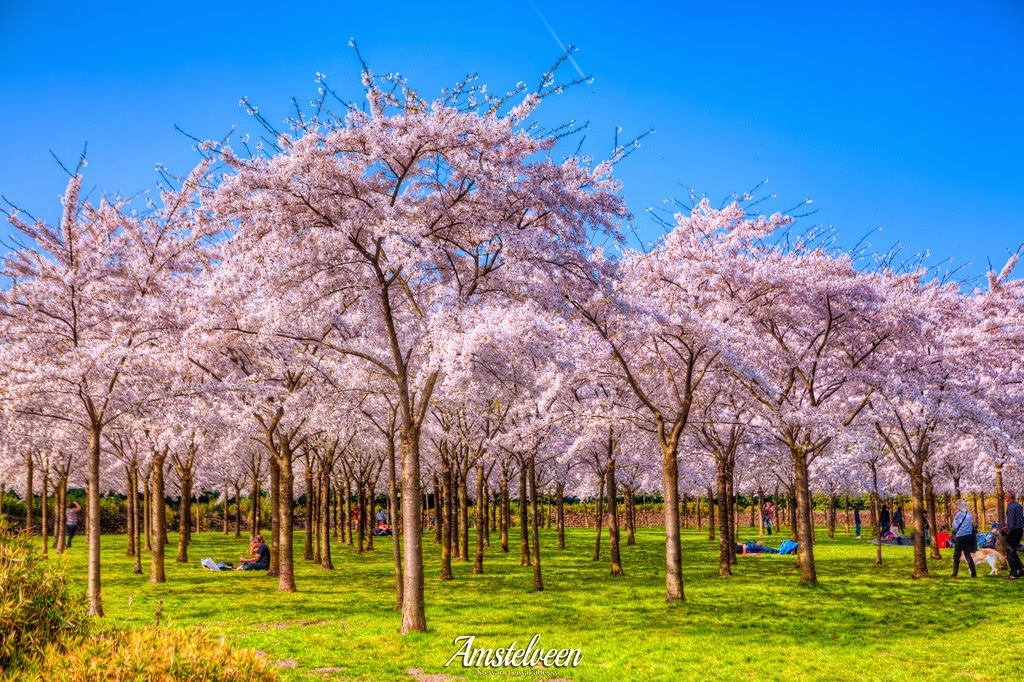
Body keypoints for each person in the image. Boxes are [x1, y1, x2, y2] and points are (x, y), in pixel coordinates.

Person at [950, 498, 977, 578]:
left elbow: (954, 526)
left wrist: (954, 518)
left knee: (956, 555)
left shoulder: (958, 514)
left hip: (960, 536)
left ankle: (955, 573)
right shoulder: (969, 514)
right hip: (968, 536)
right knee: (968, 555)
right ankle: (973, 573)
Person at [1002, 491, 1023, 580]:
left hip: (1013, 532)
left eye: (1005, 495)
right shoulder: (1018, 506)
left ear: (1008, 497)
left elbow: (1011, 521)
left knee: (1010, 552)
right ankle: (1021, 568)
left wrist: (1007, 531)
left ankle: (1013, 573)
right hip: (1019, 530)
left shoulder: (1010, 507)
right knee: (1013, 551)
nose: (1004, 497)